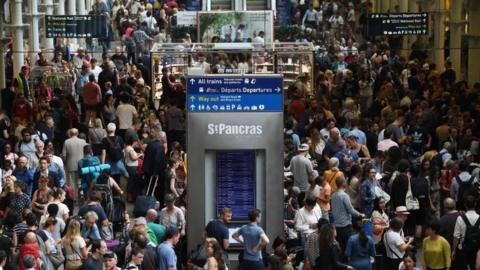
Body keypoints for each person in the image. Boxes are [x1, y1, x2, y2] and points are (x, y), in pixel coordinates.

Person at [331, 177, 365, 252]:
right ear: (343, 184)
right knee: (348, 246)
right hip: (345, 225)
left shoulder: (333, 195)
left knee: (341, 246)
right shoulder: (344, 195)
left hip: (337, 225)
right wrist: (360, 215)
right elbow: (351, 210)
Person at [452, 195, 480, 270]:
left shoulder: (460, 218)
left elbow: (456, 237)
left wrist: (454, 250)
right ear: (475, 204)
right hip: (477, 251)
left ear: (465, 205)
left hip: (463, 251)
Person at [62, 128, 87, 195]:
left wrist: (65, 162)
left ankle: (73, 197)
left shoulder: (66, 142)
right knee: (80, 181)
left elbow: (64, 155)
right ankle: (81, 195)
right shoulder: (83, 142)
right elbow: (87, 152)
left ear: (70, 134)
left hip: (70, 164)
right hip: (81, 165)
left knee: (72, 183)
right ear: (77, 133)